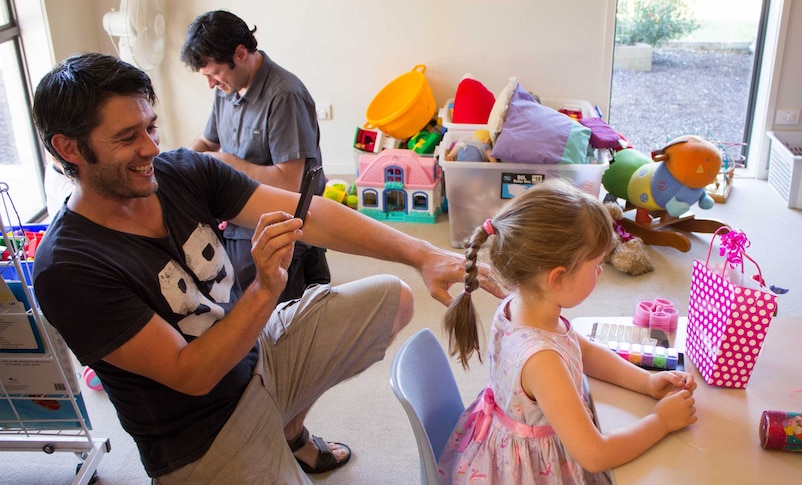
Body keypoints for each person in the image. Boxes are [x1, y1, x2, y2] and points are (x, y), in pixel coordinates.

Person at [29, 52, 500, 484]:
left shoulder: (180, 171)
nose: (151, 146)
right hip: (199, 434)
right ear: (70, 149)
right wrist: (264, 288)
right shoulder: (68, 267)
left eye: (151, 127)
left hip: (258, 353)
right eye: (127, 137)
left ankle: (288, 428)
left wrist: (422, 253)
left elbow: (309, 212)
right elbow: (190, 373)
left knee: (392, 298)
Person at [437, 178, 698, 485]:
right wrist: (661, 421)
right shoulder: (543, 362)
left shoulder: (522, 304)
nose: (601, 272)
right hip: (532, 471)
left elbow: (579, 350)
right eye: (596, 264)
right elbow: (595, 455)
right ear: (557, 278)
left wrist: (647, 381)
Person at [180, 10, 329, 303]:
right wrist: (177, 163)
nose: (211, 84)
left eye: (214, 74)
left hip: (279, 211)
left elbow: (288, 184)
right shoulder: (227, 87)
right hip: (237, 205)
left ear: (241, 53)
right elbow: (207, 142)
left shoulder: (284, 95)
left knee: (242, 291)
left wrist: (227, 164)